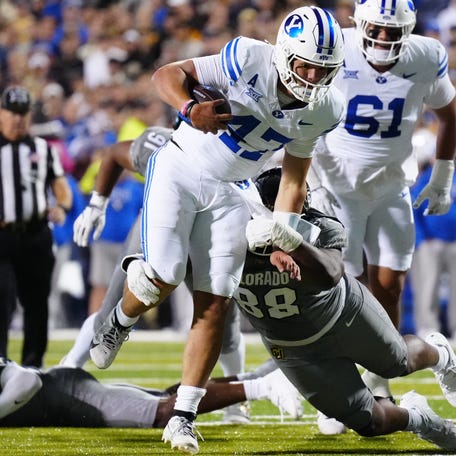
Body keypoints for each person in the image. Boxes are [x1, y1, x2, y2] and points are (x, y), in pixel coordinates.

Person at [89, 6, 346, 453]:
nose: (311, 76)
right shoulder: (248, 56)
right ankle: (118, 320)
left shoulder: (324, 106)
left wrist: (284, 235)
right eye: (305, 63)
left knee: (216, 304)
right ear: (284, 52)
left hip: (233, 188)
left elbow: (293, 177)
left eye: (323, 69)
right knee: (162, 277)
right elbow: (166, 74)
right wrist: (189, 108)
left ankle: (183, 417)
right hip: (182, 165)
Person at [308, 0, 456, 428]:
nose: (385, 39)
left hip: (393, 186)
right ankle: (351, 388)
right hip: (338, 187)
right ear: (359, 22)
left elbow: (450, 114)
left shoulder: (427, 55)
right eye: (377, 28)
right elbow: (306, 112)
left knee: (388, 290)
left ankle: (379, 380)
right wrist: (312, 177)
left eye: (394, 32)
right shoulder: (335, 47)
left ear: (409, 29)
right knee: (347, 296)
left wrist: (443, 176)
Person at [234, 167, 456, 449]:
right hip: (293, 347)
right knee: (370, 423)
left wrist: (292, 241)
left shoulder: (318, 225)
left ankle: (441, 355)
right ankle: (420, 418)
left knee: (396, 362)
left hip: (344, 315)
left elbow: (331, 273)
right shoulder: (231, 233)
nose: (298, 208)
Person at [69, 126, 250, 424]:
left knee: (222, 321)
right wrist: (96, 205)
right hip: (161, 226)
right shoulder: (167, 147)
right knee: (113, 307)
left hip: (212, 235)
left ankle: (235, 400)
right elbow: (115, 154)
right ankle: (69, 367)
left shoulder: (241, 154)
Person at [0, 358, 302, 427]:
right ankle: (263, 375)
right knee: (165, 396)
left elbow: (27, 382)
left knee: (163, 414)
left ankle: (265, 387)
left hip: (66, 394)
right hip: (63, 396)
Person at [0, 86, 72, 368]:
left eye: (22, 113)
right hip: (2, 235)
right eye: (11, 112)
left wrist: (62, 206)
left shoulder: (43, 149)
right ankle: (1, 364)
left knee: (37, 303)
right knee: (1, 302)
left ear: (29, 115)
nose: (17, 119)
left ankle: (33, 366)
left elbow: (60, 185)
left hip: (35, 234)